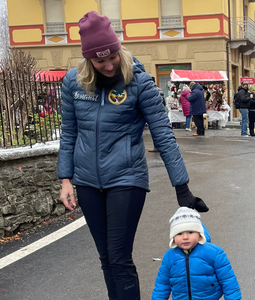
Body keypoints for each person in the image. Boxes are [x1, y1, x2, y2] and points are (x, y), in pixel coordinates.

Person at [57, 11, 209, 300]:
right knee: (105, 258)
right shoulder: (73, 83)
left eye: (112, 56)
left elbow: (163, 134)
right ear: (88, 59)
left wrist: (182, 187)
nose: (108, 64)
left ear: (118, 48)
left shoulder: (139, 82)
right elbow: (69, 133)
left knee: (119, 257)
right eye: (100, 60)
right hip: (87, 180)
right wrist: (65, 179)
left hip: (127, 179)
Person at [152, 207, 241, 300]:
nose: (185, 237)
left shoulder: (214, 253)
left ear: (199, 234)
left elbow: (228, 281)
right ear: (173, 237)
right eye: (179, 233)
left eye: (190, 232)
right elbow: (162, 286)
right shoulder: (169, 257)